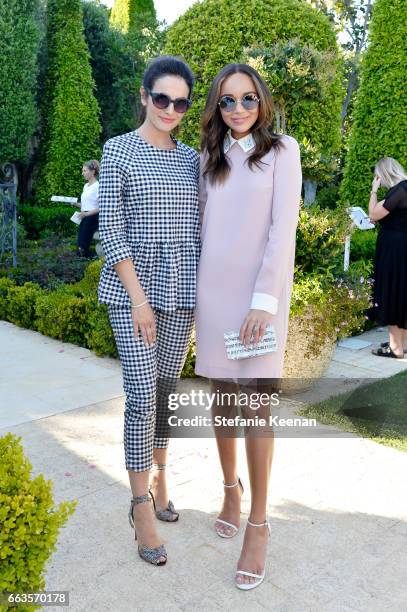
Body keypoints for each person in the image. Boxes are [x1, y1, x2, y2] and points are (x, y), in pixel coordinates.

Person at [195, 63, 302, 590]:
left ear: (262, 101)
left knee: (257, 403)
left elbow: (283, 232)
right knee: (223, 397)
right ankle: (230, 490)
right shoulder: (207, 159)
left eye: (248, 99)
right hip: (213, 298)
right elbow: (200, 230)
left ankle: (258, 523)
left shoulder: (284, 151)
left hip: (259, 302)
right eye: (227, 101)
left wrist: (264, 302)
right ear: (216, 108)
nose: (239, 109)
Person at [98, 56, 199, 566]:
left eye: (180, 102)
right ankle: (140, 505)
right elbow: (109, 231)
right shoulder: (118, 150)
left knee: (166, 392)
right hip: (132, 290)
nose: (171, 109)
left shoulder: (192, 159)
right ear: (144, 96)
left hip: (182, 290)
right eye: (162, 99)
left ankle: (161, 475)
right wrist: (139, 300)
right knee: (141, 395)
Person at [368, 157, 407, 358]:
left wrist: (373, 190)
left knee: (391, 291)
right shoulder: (403, 189)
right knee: (402, 292)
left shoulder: (399, 190)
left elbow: (373, 214)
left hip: (395, 251)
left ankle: (395, 348)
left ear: (383, 174)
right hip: (403, 249)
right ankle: (402, 343)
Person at [76, 160, 100, 258]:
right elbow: (86, 204)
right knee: (80, 243)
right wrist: (76, 204)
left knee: (83, 244)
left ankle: (90, 259)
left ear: (93, 172)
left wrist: (87, 214)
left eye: (85, 171)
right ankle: (86, 258)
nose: (82, 173)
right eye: (83, 171)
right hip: (85, 216)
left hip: (93, 217)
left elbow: (101, 207)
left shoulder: (98, 186)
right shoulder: (86, 186)